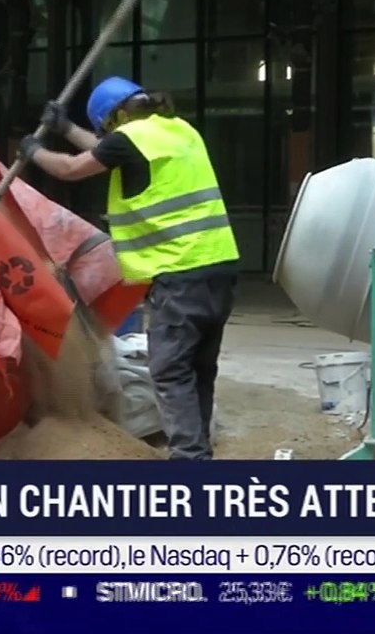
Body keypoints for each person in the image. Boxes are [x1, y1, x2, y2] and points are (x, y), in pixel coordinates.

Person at [18, 77, 239, 460]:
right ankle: (199, 450)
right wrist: (66, 128)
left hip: (179, 270)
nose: (107, 135)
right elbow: (111, 148)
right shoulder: (178, 130)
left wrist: (33, 150)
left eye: (106, 126)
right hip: (218, 266)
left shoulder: (130, 139)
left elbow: (72, 169)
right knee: (199, 368)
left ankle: (190, 461)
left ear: (118, 116)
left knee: (170, 370)